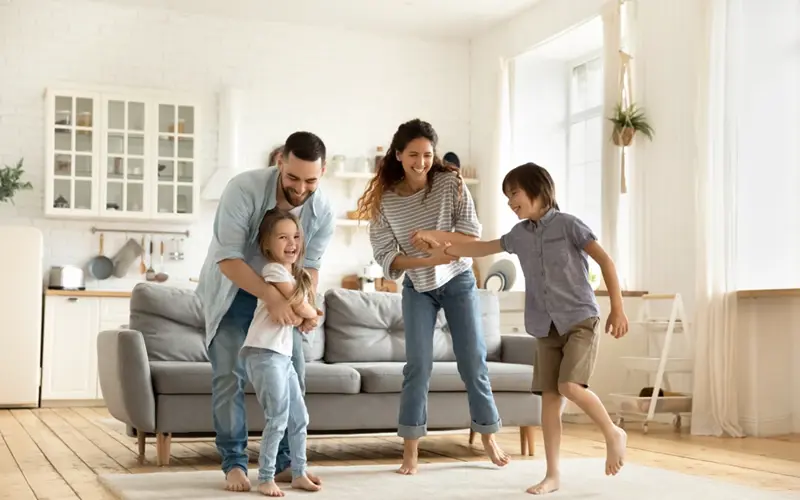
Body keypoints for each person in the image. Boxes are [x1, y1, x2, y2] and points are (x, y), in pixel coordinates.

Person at [428, 162, 629, 495]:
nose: (510, 203)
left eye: (514, 194)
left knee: (568, 385)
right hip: (545, 327)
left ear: (539, 189)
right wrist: (447, 250)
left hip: (580, 319)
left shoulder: (569, 226)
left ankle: (612, 431)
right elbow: (484, 247)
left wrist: (618, 309)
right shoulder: (519, 235)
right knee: (549, 401)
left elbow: (605, 261)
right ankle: (552, 475)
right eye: (507, 197)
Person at [355, 118, 510, 476]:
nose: (421, 162)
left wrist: (433, 237)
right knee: (418, 367)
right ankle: (410, 450)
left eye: (427, 155)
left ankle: (488, 435)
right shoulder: (385, 200)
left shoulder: (450, 183)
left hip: (457, 281)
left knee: (473, 362)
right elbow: (385, 256)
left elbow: (472, 234)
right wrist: (427, 258)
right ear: (398, 155)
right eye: (413, 155)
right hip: (418, 287)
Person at [196, 131, 335, 492]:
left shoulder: (322, 210)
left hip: (286, 294)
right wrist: (271, 298)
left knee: (294, 379)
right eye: (292, 177)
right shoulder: (243, 189)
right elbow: (227, 257)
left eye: (311, 180)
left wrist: (304, 308)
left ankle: (288, 463)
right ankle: (234, 463)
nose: (301, 188)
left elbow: (312, 267)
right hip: (234, 290)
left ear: (323, 172)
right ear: (279, 163)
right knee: (229, 377)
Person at [241, 209, 322, 497]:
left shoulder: (293, 274)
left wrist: (307, 315)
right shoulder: (272, 270)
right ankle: (265, 478)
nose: (292, 243)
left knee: (299, 418)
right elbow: (300, 305)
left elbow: (300, 310)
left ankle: (299, 472)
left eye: (296, 236)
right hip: (263, 353)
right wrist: (311, 315)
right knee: (278, 418)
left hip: (282, 356)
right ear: (267, 244)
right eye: (283, 237)